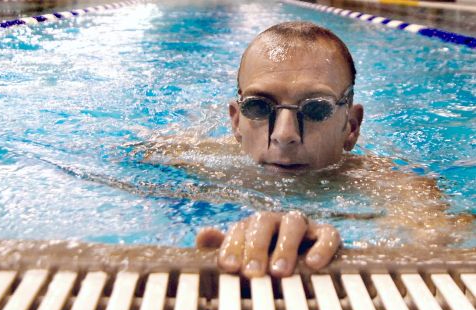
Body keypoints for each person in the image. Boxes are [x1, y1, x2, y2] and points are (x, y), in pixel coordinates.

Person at [130, 21, 472, 279]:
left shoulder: (392, 184)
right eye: (258, 107)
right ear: (235, 122)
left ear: (351, 127)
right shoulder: (192, 156)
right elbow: (131, 153)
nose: (285, 135)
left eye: (317, 108)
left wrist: (343, 255)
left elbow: (434, 248)